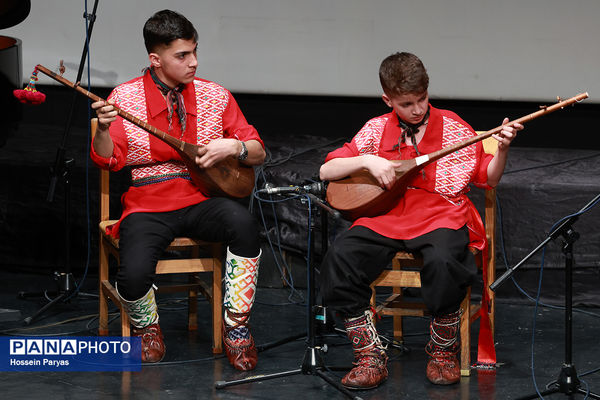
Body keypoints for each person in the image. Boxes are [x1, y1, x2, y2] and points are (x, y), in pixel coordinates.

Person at [319, 52, 523, 389]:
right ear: (388, 100)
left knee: (445, 259)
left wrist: (502, 149)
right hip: (385, 215)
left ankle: (443, 350)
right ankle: (369, 355)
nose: (417, 109)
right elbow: (327, 170)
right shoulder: (376, 129)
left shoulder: (455, 127)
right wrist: (369, 161)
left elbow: (489, 177)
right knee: (340, 257)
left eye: (422, 99)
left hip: (440, 214)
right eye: (406, 103)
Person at [90, 9, 265, 371]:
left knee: (244, 225)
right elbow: (109, 161)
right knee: (134, 273)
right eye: (182, 55)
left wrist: (234, 148)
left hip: (201, 199)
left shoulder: (216, 95)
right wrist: (104, 130)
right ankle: (147, 327)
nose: (194, 62)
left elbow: (258, 150)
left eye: (195, 51)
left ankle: (236, 328)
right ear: (155, 59)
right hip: (147, 202)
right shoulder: (124, 98)